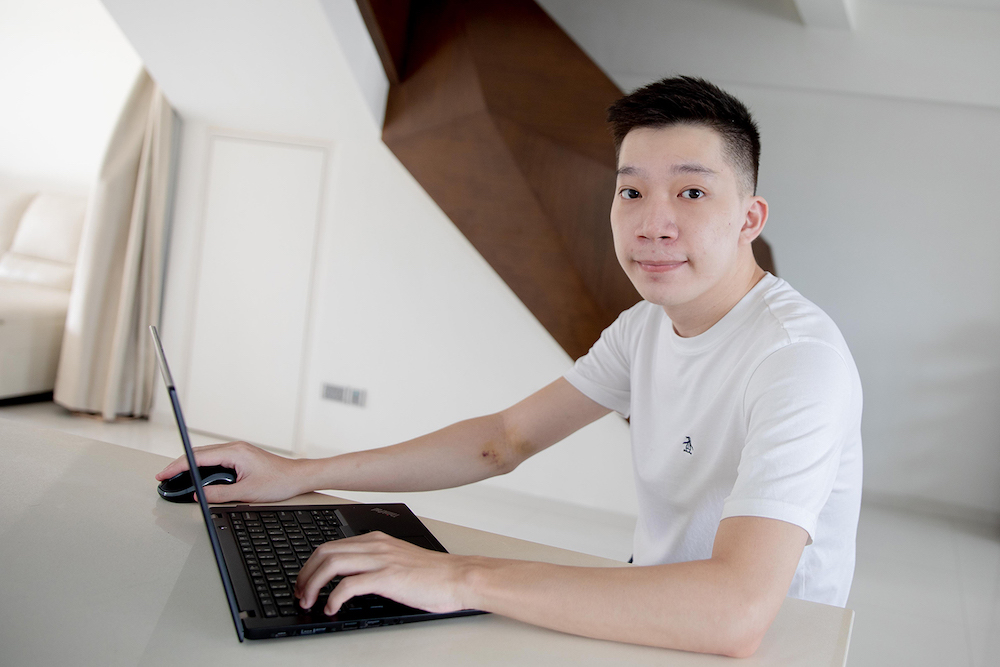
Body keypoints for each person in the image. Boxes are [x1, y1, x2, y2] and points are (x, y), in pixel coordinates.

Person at [156, 76, 862, 658]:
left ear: (750, 218)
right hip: (654, 615)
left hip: (767, 644)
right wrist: (298, 472)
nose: (653, 222)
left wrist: (460, 575)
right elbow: (504, 439)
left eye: (693, 192)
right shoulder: (646, 326)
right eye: (631, 191)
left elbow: (738, 609)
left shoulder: (796, 360)